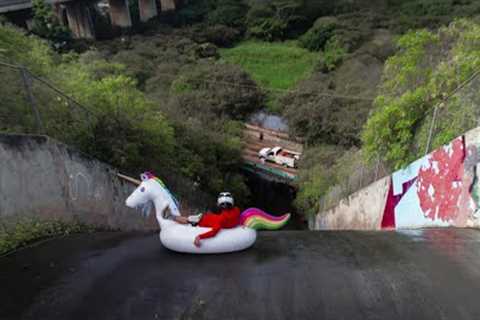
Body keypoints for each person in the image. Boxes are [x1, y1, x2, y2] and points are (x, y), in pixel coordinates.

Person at [172, 192, 241, 247]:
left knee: (188, 220)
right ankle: (173, 217)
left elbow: (213, 233)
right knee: (189, 218)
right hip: (207, 217)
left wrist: (199, 237)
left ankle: (172, 217)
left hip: (202, 220)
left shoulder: (222, 219)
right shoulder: (236, 210)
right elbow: (237, 218)